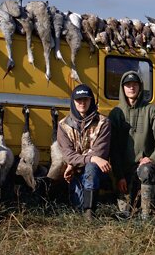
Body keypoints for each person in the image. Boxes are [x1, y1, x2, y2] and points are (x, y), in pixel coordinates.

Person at [108, 70, 155, 219]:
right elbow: (113, 147)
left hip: (144, 165)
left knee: (146, 171)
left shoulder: (151, 110)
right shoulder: (116, 113)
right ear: (123, 88)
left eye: (134, 84)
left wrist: (153, 158)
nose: (131, 88)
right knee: (125, 213)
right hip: (124, 168)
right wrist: (119, 175)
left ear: (140, 87)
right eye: (128, 85)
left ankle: (146, 215)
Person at [57, 84, 112, 220]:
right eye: (79, 100)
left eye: (86, 99)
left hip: (96, 172)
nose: (82, 103)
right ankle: (85, 202)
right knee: (79, 204)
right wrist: (76, 162)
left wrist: (79, 161)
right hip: (76, 171)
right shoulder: (63, 125)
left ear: (91, 100)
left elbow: (100, 153)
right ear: (73, 101)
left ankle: (90, 213)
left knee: (92, 168)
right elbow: (69, 155)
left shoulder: (103, 123)